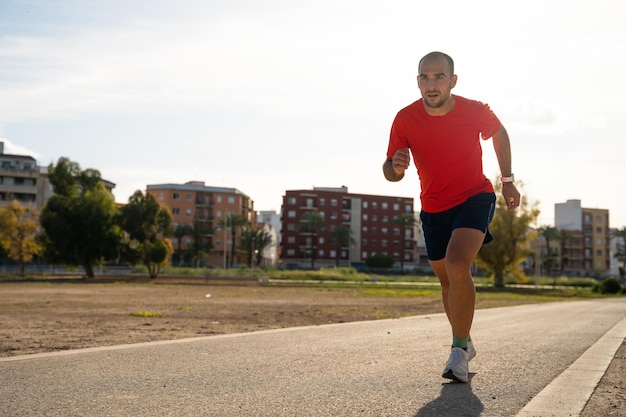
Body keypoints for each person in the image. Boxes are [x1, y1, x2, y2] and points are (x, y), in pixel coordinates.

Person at [383, 51, 520, 383]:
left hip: (474, 196)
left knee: (459, 265)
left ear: (452, 81)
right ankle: (465, 338)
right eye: (424, 78)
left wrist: (508, 180)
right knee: (447, 282)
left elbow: (499, 133)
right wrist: (396, 166)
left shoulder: (474, 110)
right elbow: (390, 171)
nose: (431, 85)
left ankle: (458, 351)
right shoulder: (404, 119)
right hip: (433, 206)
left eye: (439, 77)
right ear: (418, 82)